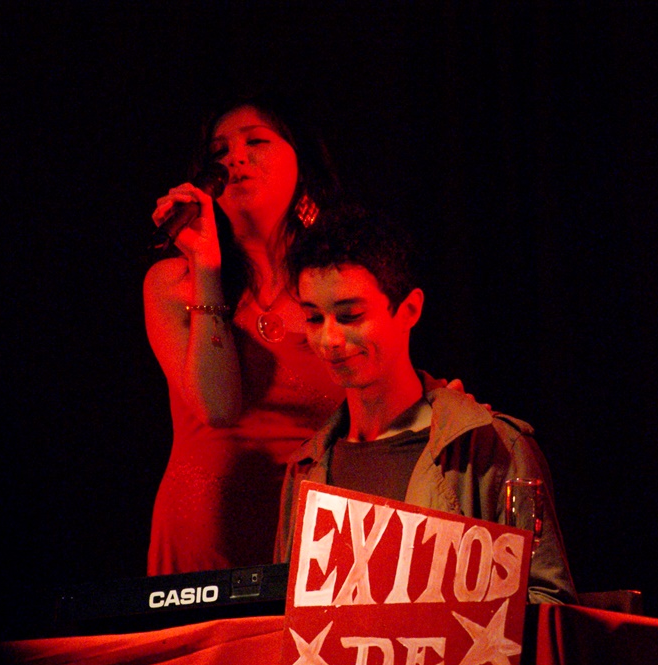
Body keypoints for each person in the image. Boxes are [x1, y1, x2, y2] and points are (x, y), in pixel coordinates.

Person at [274, 205, 578, 604]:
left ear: (409, 310)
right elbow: (284, 614)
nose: (329, 339)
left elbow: (549, 602)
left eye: (350, 316)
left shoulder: (490, 446)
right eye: (314, 319)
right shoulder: (308, 467)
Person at [143, 91, 347, 575]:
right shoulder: (173, 281)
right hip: (202, 540)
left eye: (256, 141)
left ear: (302, 163)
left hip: (313, 541)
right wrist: (207, 267)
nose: (235, 158)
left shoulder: (340, 282)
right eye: (219, 151)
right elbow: (218, 407)